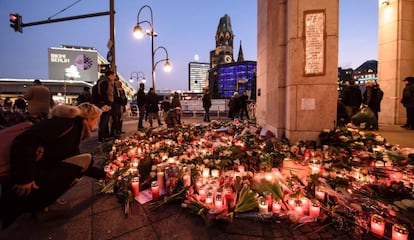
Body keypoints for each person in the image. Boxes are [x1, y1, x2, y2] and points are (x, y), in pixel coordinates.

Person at [0, 103, 105, 229]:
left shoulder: (74, 130)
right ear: (89, 119)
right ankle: (38, 204)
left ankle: (38, 204)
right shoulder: (67, 125)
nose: (97, 124)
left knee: (83, 162)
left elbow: (73, 159)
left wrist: (104, 175)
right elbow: (24, 141)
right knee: (87, 159)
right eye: (97, 120)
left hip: (33, 172)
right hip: (24, 176)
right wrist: (24, 179)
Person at [95, 70, 115, 142]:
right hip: (104, 104)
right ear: (110, 75)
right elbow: (104, 94)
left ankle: (105, 136)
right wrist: (107, 104)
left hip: (104, 103)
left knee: (105, 121)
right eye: (113, 75)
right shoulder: (105, 82)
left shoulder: (102, 82)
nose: (114, 77)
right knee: (103, 121)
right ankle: (101, 137)